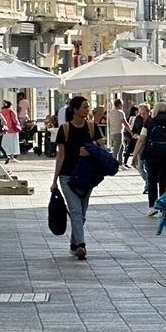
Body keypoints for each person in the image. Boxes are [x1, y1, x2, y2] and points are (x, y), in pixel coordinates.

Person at [51, 96, 103, 260]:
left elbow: (102, 148)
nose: (88, 110)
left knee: (82, 212)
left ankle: (74, 244)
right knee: (75, 210)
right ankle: (81, 245)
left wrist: (90, 151)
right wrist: (54, 180)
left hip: (86, 175)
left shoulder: (92, 127)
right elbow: (61, 155)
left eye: (88, 107)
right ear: (75, 110)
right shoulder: (64, 129)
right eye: (85, 107)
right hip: (67, 175)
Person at [132, 102, 166, 216]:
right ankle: (163, 206)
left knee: (151, 180)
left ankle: (153, 206)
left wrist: (135, 154)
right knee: (164, 181)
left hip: (151, 155)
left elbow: (142, 139)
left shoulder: (149, 122)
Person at [106, 99, 127, 164]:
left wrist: (110, 130)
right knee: (116, 150)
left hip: (113, 132)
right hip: (118, 132)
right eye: (122, 104)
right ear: (120, 104)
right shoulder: (120, 112)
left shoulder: (111, 112)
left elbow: (108, 122)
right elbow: (125, 123)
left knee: (121, 147)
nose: (122, 105)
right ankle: (112, 163)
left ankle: (120, 162)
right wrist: (131, 130)